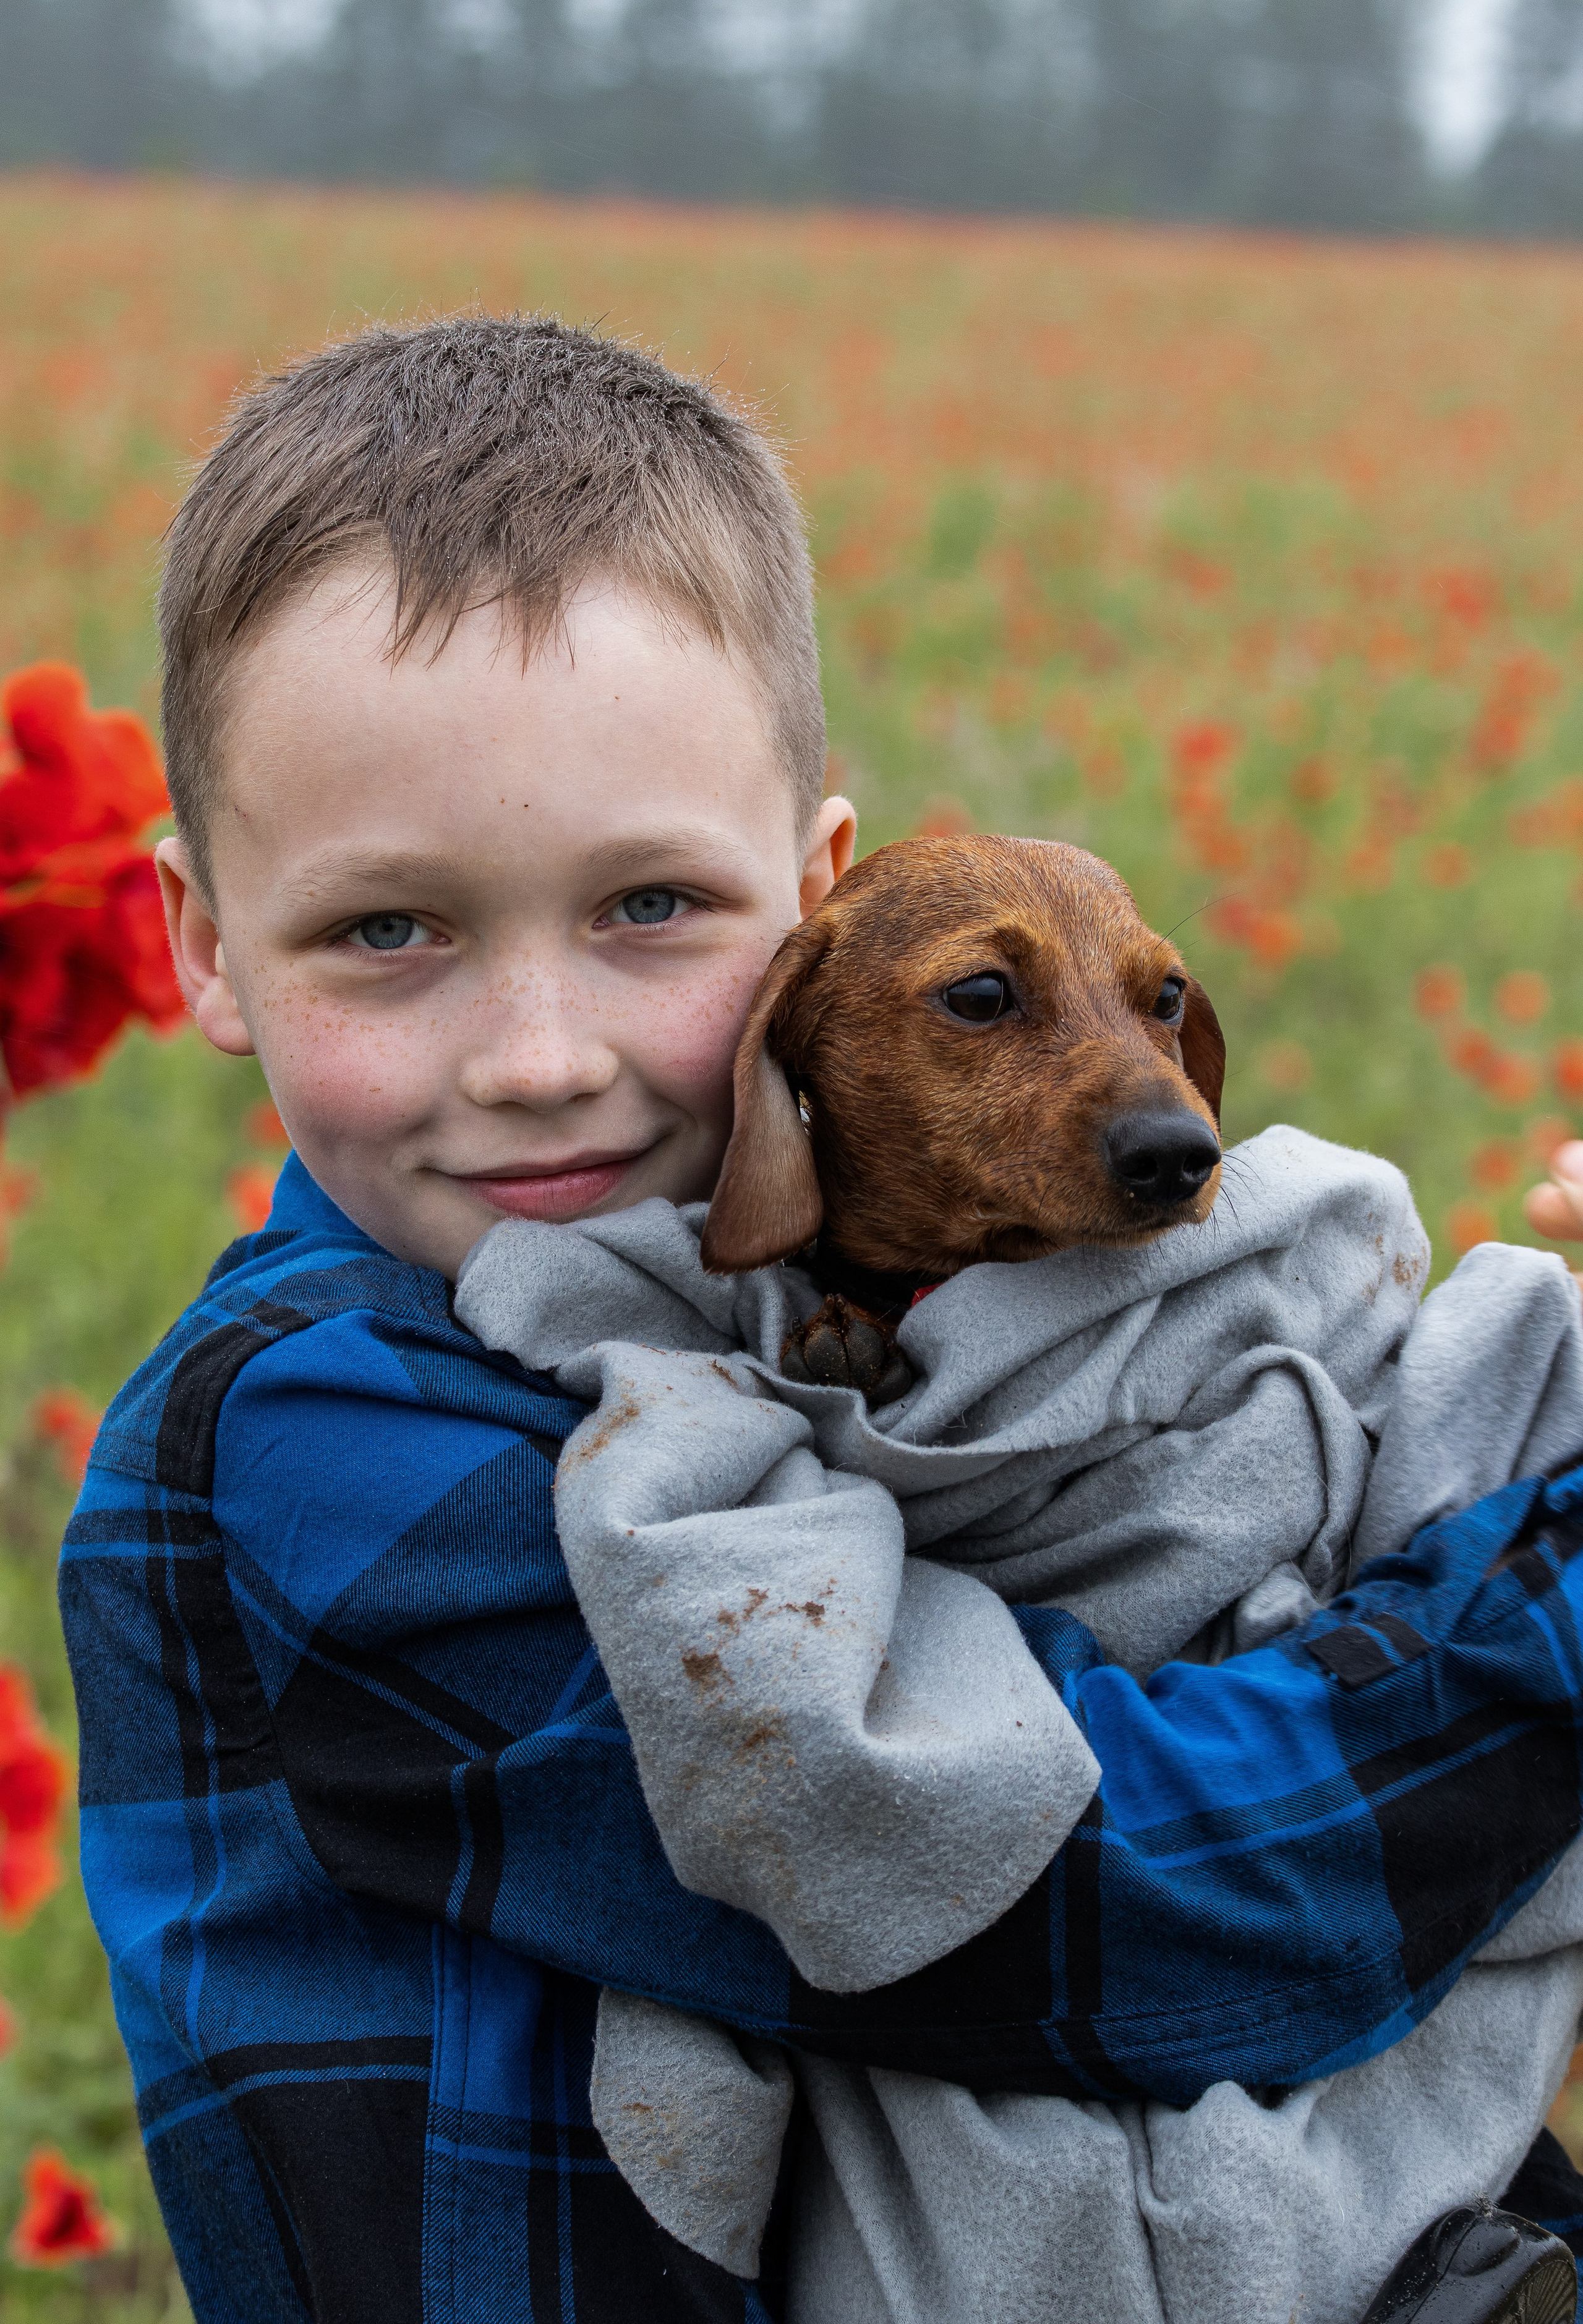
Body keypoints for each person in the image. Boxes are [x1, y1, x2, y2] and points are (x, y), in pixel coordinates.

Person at [58, 313, 1583, 2324]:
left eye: (650, 910)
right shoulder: (321, 1449)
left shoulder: (814, 1323)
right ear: (200, 943)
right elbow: (1118, 1902)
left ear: (813, 902)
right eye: (387, 930)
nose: (538, 1059)